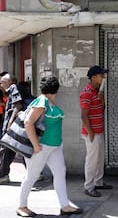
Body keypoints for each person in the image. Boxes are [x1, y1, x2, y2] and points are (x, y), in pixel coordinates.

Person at [16, 75, 83, 217]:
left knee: (60, 173)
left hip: (54, 146)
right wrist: (36, 146)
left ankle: (64, 205)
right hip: (41, 147)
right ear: (56, 89)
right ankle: (21, 206)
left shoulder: (48, 102)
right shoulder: (42, 102)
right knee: (31, 176)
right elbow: (28, 123)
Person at [80, 66, 113, 198]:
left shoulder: (97, 92)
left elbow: (101, 109)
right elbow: (83, 116)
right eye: (101, 76)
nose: (103, 78)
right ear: (93, 77)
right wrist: (91, 133)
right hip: (92, 132)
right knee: (92, 160)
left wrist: (101, 99)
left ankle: (98, 182)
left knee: (99, 158)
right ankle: (89, 186)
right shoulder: (87, 93)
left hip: (98, 131)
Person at [0, 74, 24, 183]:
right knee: (17, 150)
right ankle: (37, 174)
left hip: (12, 126)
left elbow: (18, 105)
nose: (1, 85)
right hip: (16, 126)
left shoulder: (14, 88)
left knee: (5, 150)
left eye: (2, 82)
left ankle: (3, 175)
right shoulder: (16, 89)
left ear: (9, 81)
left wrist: (10, 122)